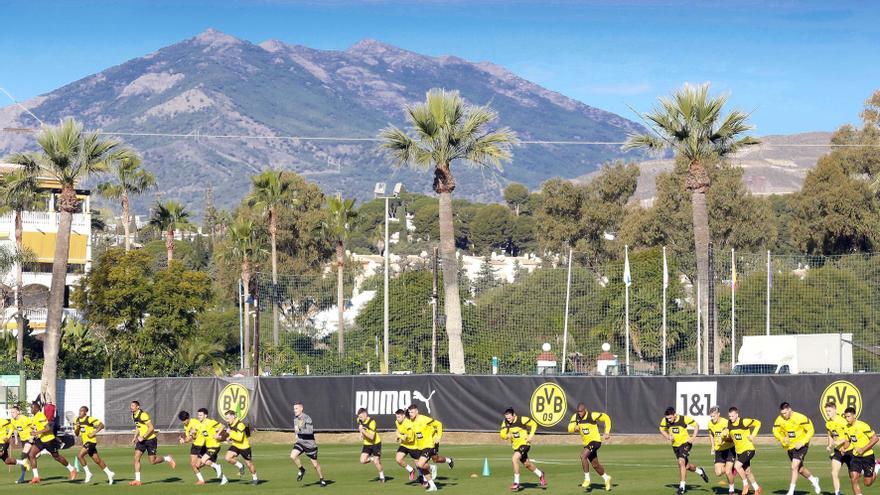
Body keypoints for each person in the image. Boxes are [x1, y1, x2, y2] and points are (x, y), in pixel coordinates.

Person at [772, 402, 820, 495]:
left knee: (793, 467)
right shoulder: (779, 419)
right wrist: (782, 438)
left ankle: (790, 491)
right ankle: (814, 480)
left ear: (790, 410)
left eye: (785, 413)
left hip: (801, 446)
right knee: (800, 469)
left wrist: (802, 442)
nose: (783, 415)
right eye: (782, 413)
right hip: (790, 447)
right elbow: (775, 431)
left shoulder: (800, 417)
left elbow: (811, 430)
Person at [659, 406, 708, 495]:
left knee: (681, 462)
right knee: (686, 466)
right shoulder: (665, 420)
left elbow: (696, 425)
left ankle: (682, 487)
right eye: (667, 418)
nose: (669, 420)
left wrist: (693, 437)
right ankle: (700, 471)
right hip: (675, 446)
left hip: (685, 443)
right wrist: (668, 437)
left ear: (675, 414)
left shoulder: (683, 419)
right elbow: (661, 429)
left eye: (670, 418)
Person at [567, 402, 612, 491]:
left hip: (595, 441)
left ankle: (587, 479)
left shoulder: (592, 415)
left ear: (585, 410)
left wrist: (607, 432)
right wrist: (574, 428)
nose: (579, 413)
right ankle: (607, 478)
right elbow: (569, 428)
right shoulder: (575, 417)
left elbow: (606, 418)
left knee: (583, 456)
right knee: (595, 465)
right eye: (578, 411)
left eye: (581, 411)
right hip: (587, 444)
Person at [129, 400, 175, 486]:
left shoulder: (143, 415)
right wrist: (135, 437)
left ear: (137, 407)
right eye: (131, 406)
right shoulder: (133, 415)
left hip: (150, 440)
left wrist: (143, 437)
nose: (131, 407)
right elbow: (138, 426)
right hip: (141, 441)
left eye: (132, 406)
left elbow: (151, 428)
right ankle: (137, 480)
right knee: (136, 458)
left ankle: (168, 458)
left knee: (152, 461)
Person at [28, 401, 76, 484]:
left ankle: (72, 469)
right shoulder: (35, 416)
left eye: (32, 408)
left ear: (36, 408)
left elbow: (48, 428)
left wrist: (36, 433)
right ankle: (36, 477)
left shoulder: (40, 415)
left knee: (56, 457)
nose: (31, 410)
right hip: (41, 439)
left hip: (49, 440)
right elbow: (36, 426)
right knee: (31, 454)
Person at [500, 407, 546, 492]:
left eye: (509, 418)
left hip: (525, 444)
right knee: (527, 464)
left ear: (514, 415)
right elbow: (502, 434)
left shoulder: (522, 419)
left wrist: (531, 435)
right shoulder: (505, 422)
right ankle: (540, 474)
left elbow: (534, 424)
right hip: (516, 447)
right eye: (506, 418)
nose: (508, 420)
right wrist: (506, 436)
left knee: (514, 459)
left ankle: (516, 483)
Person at [841, 406, 878, 495]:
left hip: (868, 457)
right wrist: (843, 448)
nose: (847, 419)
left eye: (849, 416)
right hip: (855, 456)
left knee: (867, 483)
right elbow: (847, 441)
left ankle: (876, 468)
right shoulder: (846, 427)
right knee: (853, 478)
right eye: (845, 416)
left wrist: (863, 449)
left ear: (854, 415)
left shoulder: (862, 425)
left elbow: (875, 438)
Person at [73, 406, 115, 484]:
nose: (80, 412)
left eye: (82, 411)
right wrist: (78, 427)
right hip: (85, 442)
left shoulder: (89, 419)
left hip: (91, 441)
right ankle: (109, 473)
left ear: (85, 412)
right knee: (97, 460)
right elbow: (76, 433)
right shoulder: (77, 420)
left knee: (80, 456)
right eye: (79, 410)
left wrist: (94, 433)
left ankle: (88, 473)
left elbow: (101, 425)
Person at [726, 406, 762, 495]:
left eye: (733, 416)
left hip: (749, 449)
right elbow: (731, 436)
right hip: (740, 452)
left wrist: (753, 435)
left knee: (737, 466)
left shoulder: (744, 421)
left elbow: (758, 423)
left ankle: (745, 484)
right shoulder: (729, 424)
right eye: (729, 416)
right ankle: (757, 488)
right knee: (747, 472)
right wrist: (724, 436)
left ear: (737, 415)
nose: (731, 418)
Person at [291, 402, 326, 487]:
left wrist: (300, 430)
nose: (294, 410)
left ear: (301, 409)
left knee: (315, 465)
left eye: (296, 408)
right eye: (294, 409)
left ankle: (322, 479)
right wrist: (296, 434)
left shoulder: (307, 418)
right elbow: (297, 430)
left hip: (310, 445)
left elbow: (310, 431)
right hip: (300, 442)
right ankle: (302, 470)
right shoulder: (296, 419)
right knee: (293, 456)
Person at [408, 404, 440, 491]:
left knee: (421, 464)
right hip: (419, 447)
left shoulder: (424, 419)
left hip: (428, 445)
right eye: (409, 412)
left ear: (417, 411)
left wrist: (438, 436)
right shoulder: (411, 421)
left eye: (412, 412)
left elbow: (438, 424)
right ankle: (433, 486)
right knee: (420, 466)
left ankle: (432, 467)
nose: (410, 414)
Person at [223, 410, 258, 485]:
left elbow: (239, 438)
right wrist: (229, 438)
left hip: (244, 446)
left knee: (249, 463)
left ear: (233, 416)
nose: (227, 420)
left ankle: (255, 478)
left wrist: (230, 433)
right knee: (227, 457)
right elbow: (233, 435)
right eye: (226, 418)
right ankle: (240, 466)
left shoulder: (240, 425)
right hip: (236, 445)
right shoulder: (230, 424)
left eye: (228, 418)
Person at [707, 406, 736, 494]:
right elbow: (711, 434)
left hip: (729, 449)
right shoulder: (710, 423)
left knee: (727, 471)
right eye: (711, 416)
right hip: (719, 450)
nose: (712, 418)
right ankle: (734, 468)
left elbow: (731, 438)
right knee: (718, 473)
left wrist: (723, 438)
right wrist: (712, 446)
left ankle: (731, 490)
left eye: (714, 416)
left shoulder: (726, 422)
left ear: (718, 414)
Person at [195, 408, 228, 485]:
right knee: (205, 463)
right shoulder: (199, 424)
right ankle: (224, 478)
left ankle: (217, 466)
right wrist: (193, 434)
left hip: (214, 446)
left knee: (203, 461)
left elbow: (222, 426)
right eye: (198, 415)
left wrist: (217, 434)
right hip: (207, 447)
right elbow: (198, 435)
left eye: (200, 415)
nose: (199, 416)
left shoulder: (210, 422)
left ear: (205, 415)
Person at [824, 401, 849, 495]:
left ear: (835, 410)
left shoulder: (842, 421)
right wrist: (830, 445)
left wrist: (841, 441)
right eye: (826, 411)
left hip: (848, 450)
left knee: (854, 475)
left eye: (829, 411)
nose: (827, 413)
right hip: (838, 451)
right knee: (834, 473)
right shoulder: (828, 423)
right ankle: (837, 492)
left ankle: (875, 465)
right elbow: (830, 434)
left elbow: (849, 435)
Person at [356, 408, 384, 482]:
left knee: (376, 462)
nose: (360, 418)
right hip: (367, 444)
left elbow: (372, 437)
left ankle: (382, 477)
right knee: (362, 461)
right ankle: (372, 458)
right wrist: (361, 434)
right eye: (359, 417)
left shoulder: (372, 422)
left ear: (365, 414)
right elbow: (360, 426)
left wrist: (362, 431)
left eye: (361, 417)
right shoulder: (359, 420)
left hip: (375, 443)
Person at [177, 410, 204, 484]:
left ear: (188, 418)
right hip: (195, 444)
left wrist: (185, 440)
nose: (183, 422)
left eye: (184, 420)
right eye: (182, 420)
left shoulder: (194, 422)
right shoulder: (185, 426)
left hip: (202, 444)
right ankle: (201, 480)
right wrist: (183, 440)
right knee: (193, 464)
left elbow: (192, 436)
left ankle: (214, 465)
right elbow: (188, 437)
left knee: (202, 463)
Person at [8, 406, 32, 483]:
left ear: (18, 412)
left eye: (13, 412)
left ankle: (22, 477)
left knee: (23, 457)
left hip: (30, 439)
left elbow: (34, 426)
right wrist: (15, 439)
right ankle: (44, 451)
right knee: (31, 457)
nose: (12, 414)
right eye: (11, 412)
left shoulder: (24, 419)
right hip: (23, 440)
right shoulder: (13, 420)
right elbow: (15, 429)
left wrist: (32, 436)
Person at [394, 408, 418, 482]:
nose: (397, 419)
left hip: (413, 445)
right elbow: (398, 429)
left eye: (399, 417)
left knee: (419, 465)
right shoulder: (397, 422)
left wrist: (399, 435)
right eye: (396, 417)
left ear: (403, 416)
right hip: (404, 445)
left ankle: (430, 470)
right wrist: (398, 436)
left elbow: (408, 438)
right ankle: (411, 470)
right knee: (398, 459)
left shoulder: (408, 423)